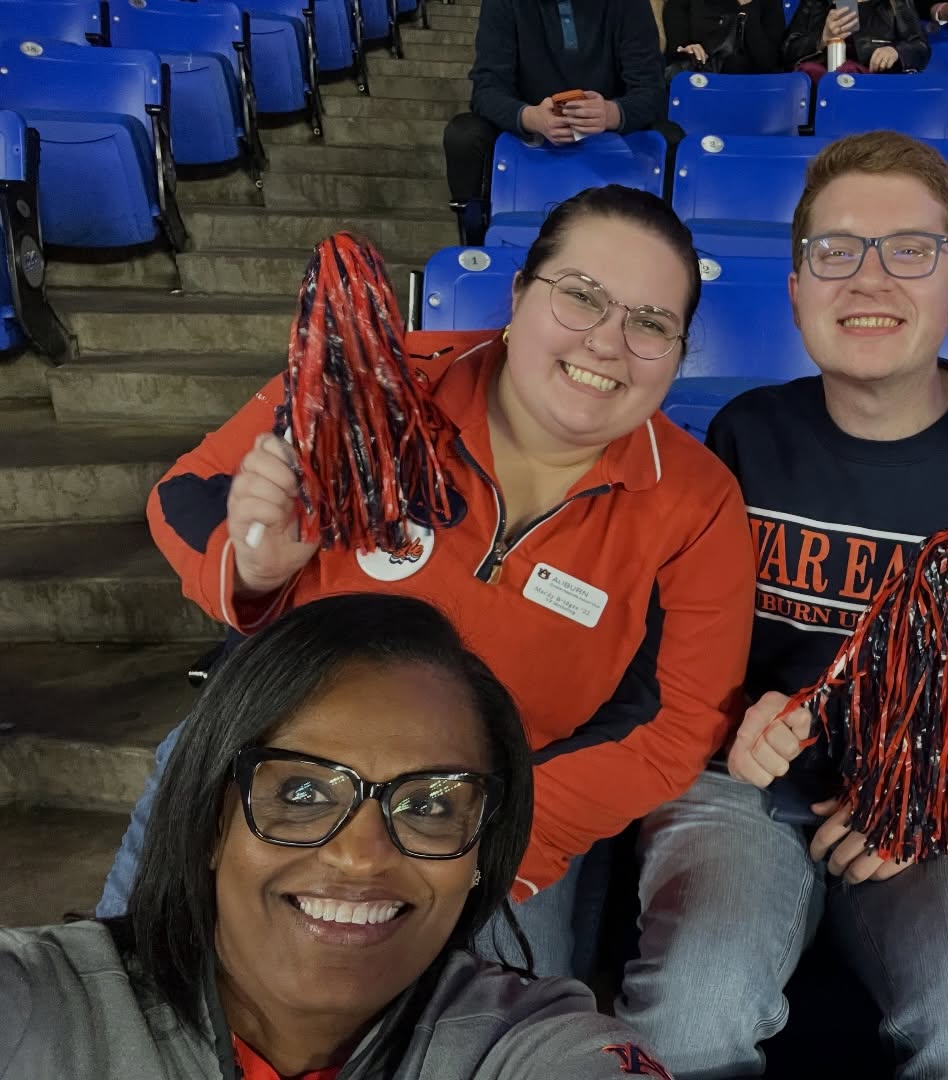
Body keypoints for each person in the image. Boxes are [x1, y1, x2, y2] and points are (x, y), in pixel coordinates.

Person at [97, 185, 756, 984]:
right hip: (279, 749)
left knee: (488, 1022)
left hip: (502, 806)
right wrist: (253, 569)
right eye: (581, 297)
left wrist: (491, 832)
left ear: (680, 354)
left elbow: (676, 727)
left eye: (650, 323)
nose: (608, 343)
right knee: (142, 984)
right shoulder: (379, 380)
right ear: (519, 296)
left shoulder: (699, 500)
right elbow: (188, 489)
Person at [614, 130, 948, 1078]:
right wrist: (733, 716)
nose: (869, 280)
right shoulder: (745, 437)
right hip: (747, 794)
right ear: (796, 290)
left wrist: (938, 782)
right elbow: (668, 642)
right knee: (689, 1016)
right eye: (835, 252)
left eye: (911, 251)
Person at [0, 594, 678, 1079]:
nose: (359, 855)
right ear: (210, 822)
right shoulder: (40, 1004)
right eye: (301, 792)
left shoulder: (520, 1042)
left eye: (430, 805)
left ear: (479, 853)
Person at [443, 0, 676, 240]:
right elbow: (486, 89)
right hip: (529, 132)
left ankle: (663, 239)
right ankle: (475, 239)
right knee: (464, 135)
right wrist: (529, 117)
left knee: (670, 138)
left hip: (609, 131)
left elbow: (652, 91)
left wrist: (612, 113)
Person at [783, 0, 930, 81]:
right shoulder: (816, 3)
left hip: (872, 80)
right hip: (825, 80)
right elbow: (788, 50)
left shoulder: (895, 3)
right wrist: (822, 39)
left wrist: (895, 52)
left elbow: (920, 47)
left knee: (848, 72)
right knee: (809, 72)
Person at [662, 0, 788, 80]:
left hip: (751, 87)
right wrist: (687, 48)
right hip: (700, 80)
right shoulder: (682, 5)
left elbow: (768, 63)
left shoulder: (769, 4)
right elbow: (677, 48)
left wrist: (748, 7)